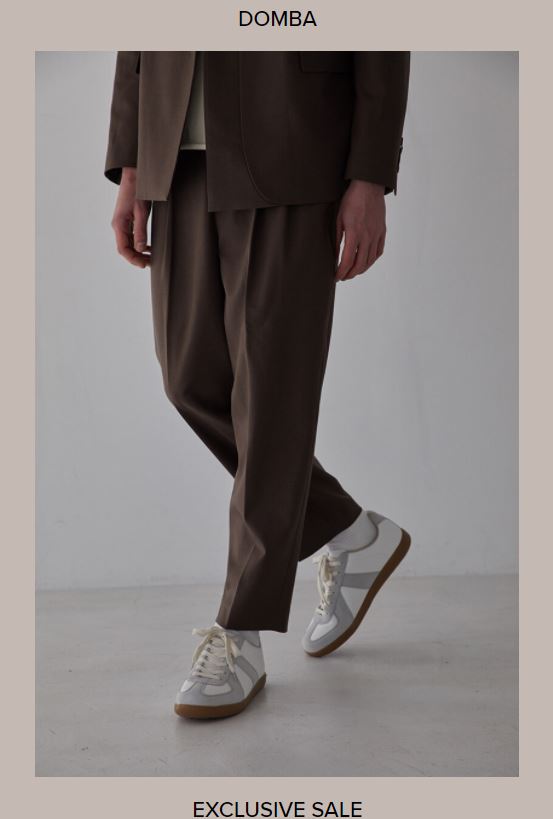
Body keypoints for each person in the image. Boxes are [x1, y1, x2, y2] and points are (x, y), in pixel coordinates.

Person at [105, 51, 411, 720]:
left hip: (292, 141)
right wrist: (131, 163)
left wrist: (369, 173)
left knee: (270, 397)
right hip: (174, 154)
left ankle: (240, 630)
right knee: (188, 378)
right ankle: (349, 531)